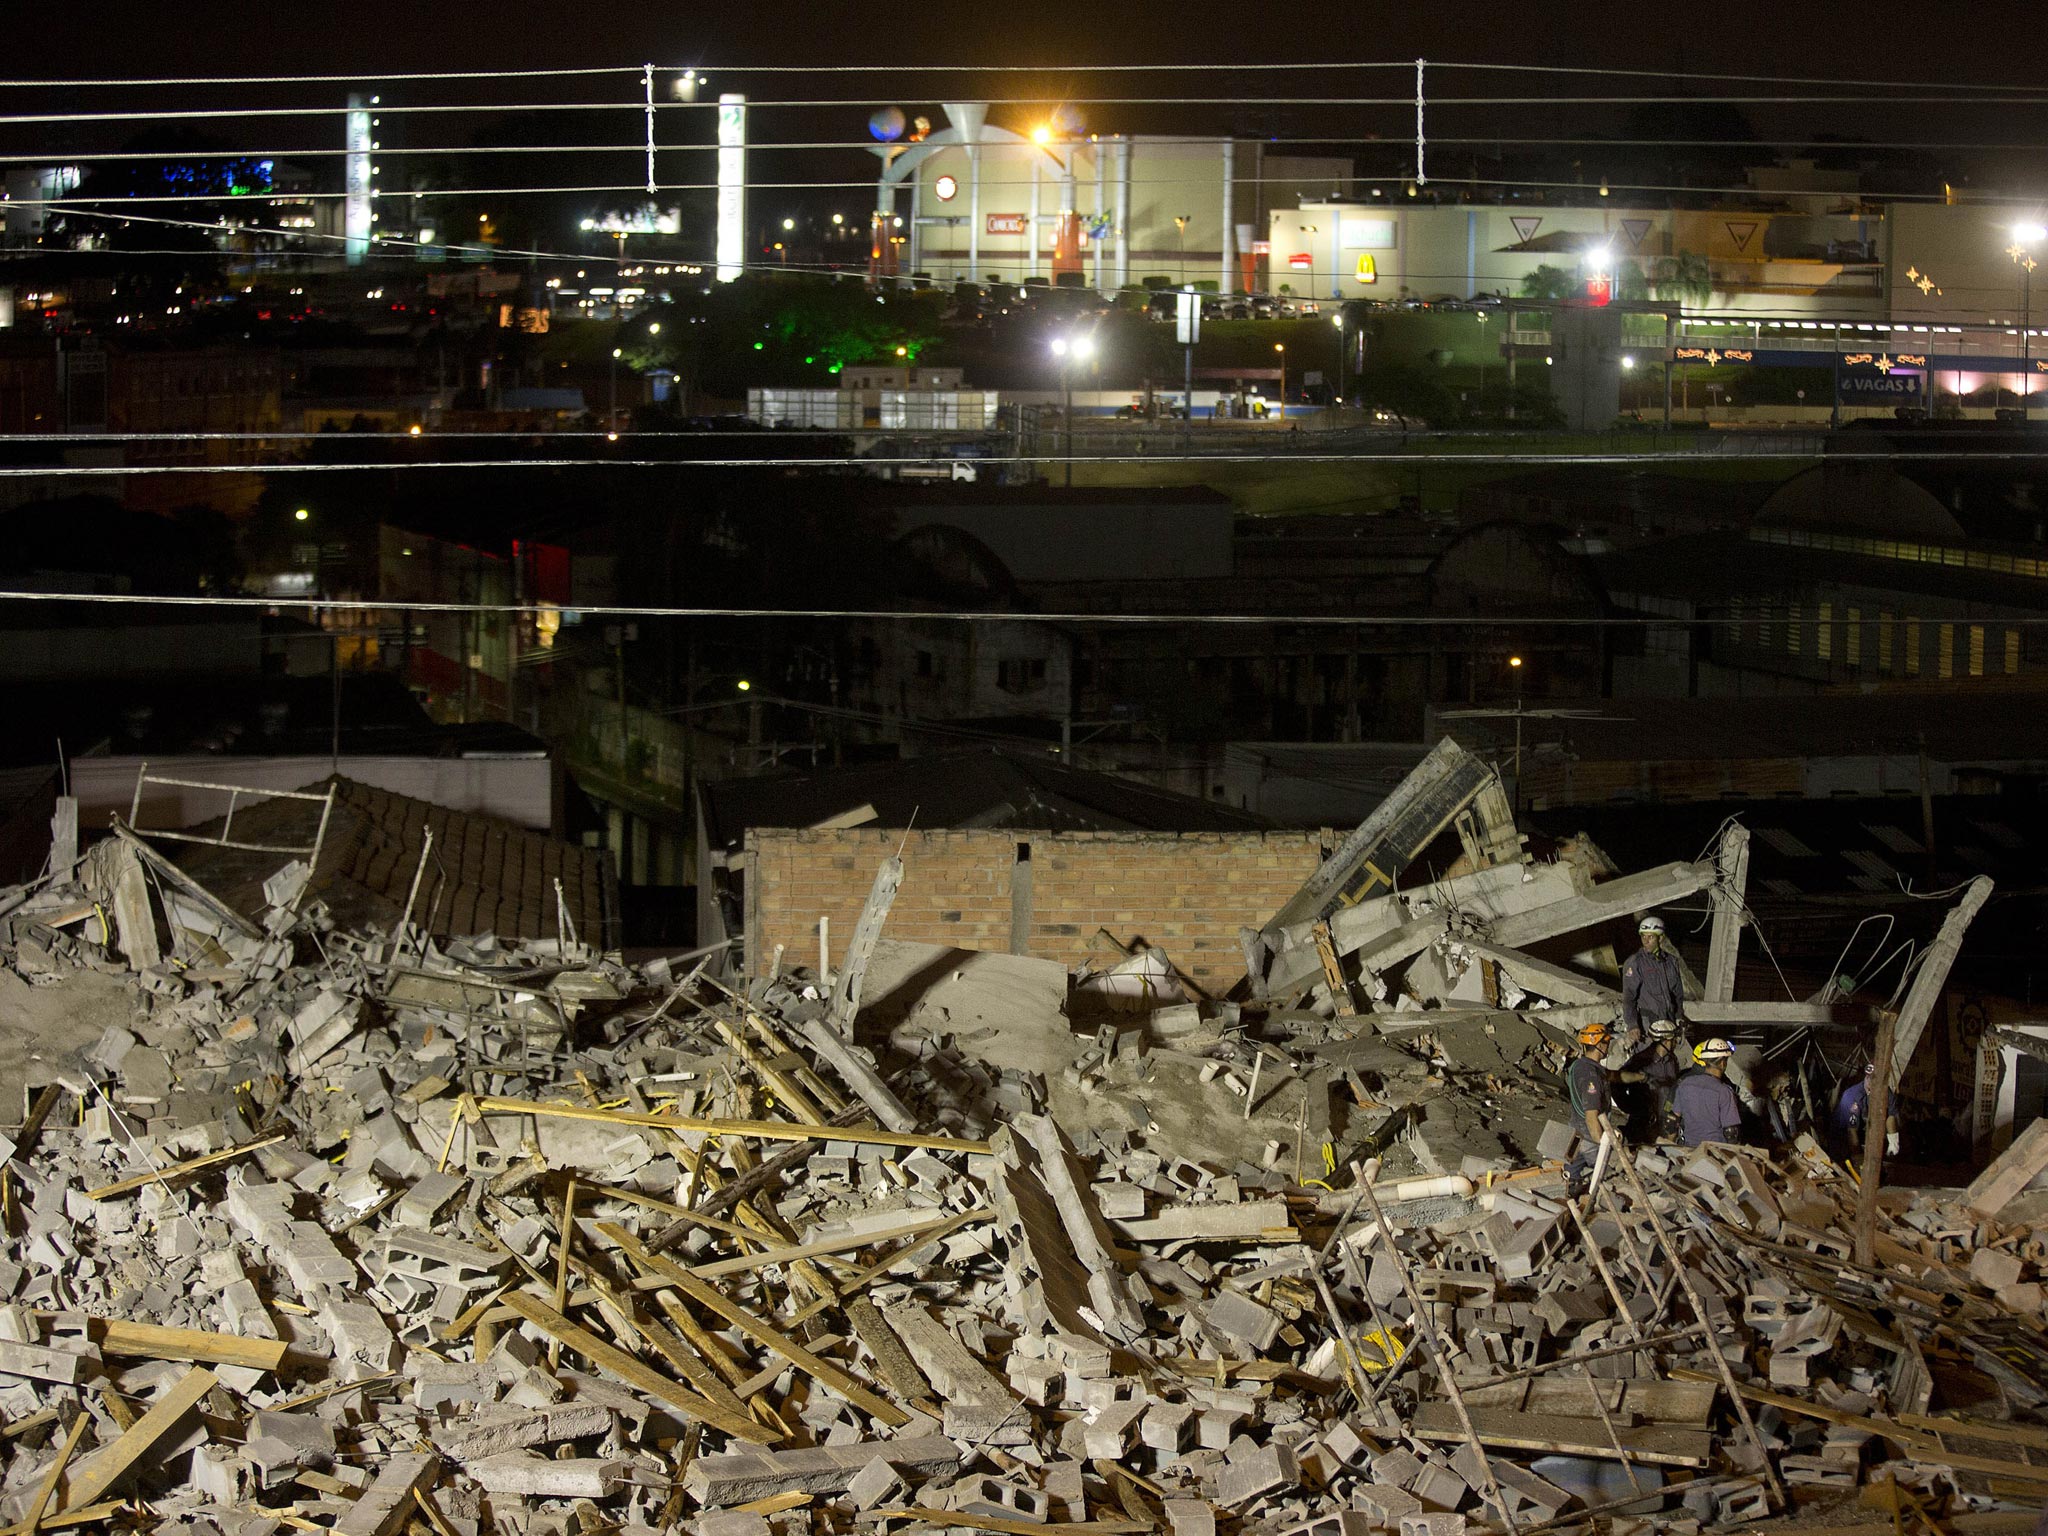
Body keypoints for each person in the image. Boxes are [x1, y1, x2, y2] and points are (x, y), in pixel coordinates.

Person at [1564, 1021, 1616, 1198]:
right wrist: (1603, 1144)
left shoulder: (1579, 1066)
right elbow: (1592, 1116)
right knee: (1608, 1180)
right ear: (1600, 1044)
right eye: (1607, 1042)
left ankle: (1570, 1198)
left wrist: (1641, 1076)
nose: (1608, 1046)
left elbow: (1614, 1076)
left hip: (1575, 1132)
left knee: (1570, 1175)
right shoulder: (1591, 1076)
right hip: (1590, 1137)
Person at [1617, 1018, 1684, 1140]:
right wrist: (1628, 1106)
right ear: (1666, 1041)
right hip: (1643, 1124)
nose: (1676, 1042)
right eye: (1673, 1039)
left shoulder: (1672, 1060)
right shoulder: (1641, 1061)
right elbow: (1617, 1081)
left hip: (1663, 1121)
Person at [1622, 916, 1686, 1040]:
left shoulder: (1671, 962)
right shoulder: (1635, 963)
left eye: (1650, 937)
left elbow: (1678, 994)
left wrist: (1679, 1017)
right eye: (1643, 936)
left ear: (1660, 938)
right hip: (1648, 1022)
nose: (1645, 941)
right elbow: (1629, 997)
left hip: (1669, 1020)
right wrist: (1632, 1025)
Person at [1674, 1038, 1744, 1147]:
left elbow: (1672, 1121)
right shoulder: (1724, 1091)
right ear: (1722, 1063)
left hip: (1688, 1149)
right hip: (1714, 1152)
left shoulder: (1685, 1083)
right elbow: (1731, 1133)